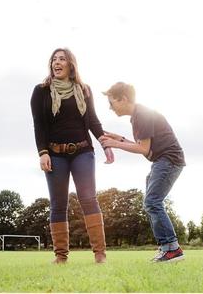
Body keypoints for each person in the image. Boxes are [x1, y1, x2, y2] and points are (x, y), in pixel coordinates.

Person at [30, 48, 114, 264]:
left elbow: (93, 120)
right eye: (54, 60)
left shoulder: (84, 90)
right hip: (55, 154)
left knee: (89, 199)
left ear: (71, 65)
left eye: (62, 59)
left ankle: (100, 254)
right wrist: (43, 152)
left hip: (83, 151)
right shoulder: (41, 91)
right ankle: (60, 256)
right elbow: (38, 125)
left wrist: (105, 144)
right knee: (58, 203)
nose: (57, 63)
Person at [100, 82, 186, 263]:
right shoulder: (138, 115)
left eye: (112, 102)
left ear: (123, 99)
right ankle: (166, 249)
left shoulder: (142, 115)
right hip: (162, 161)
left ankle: (173, 249)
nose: (110, 107)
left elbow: (143, 149)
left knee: (153, 202)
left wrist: (116, 144)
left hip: (168, 160)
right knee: (151, 203)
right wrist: (120, 138)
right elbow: (144, 146)